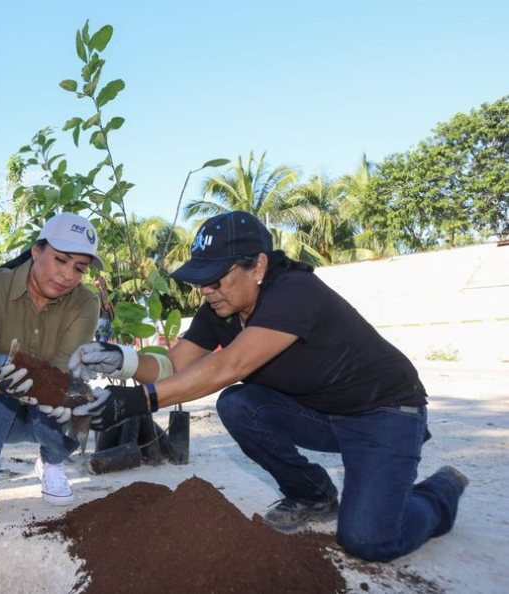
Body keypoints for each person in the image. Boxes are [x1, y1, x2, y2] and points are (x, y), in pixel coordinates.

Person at [69, 211, 467, 563]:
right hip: (318, 414)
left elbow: (229, 364)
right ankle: (313, 495)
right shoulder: (219, 308)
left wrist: (138, 402)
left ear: (258, 265)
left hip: (383, 414)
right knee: (239, 404)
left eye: (217, 278)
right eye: (201, 280)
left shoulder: (295, 291)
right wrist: (126, 360)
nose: (207, 290)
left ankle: (440, 492)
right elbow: (175, 365)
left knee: (369, 540)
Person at [0, 213, 102, 526]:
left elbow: (66, 374)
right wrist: (3, 381)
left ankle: (52, 463)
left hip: (47, 412)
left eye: (79, 268)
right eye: (60, 260)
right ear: (36, 251)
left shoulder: (86, 302)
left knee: (82, 390)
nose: (67, 275)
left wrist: (38, 382)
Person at [93, 276, 115, 342]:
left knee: (101, 342)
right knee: (105, 341)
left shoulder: (96, 294)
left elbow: (96, 308)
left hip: (100, 320)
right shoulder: (109, 293)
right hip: (110, 320)